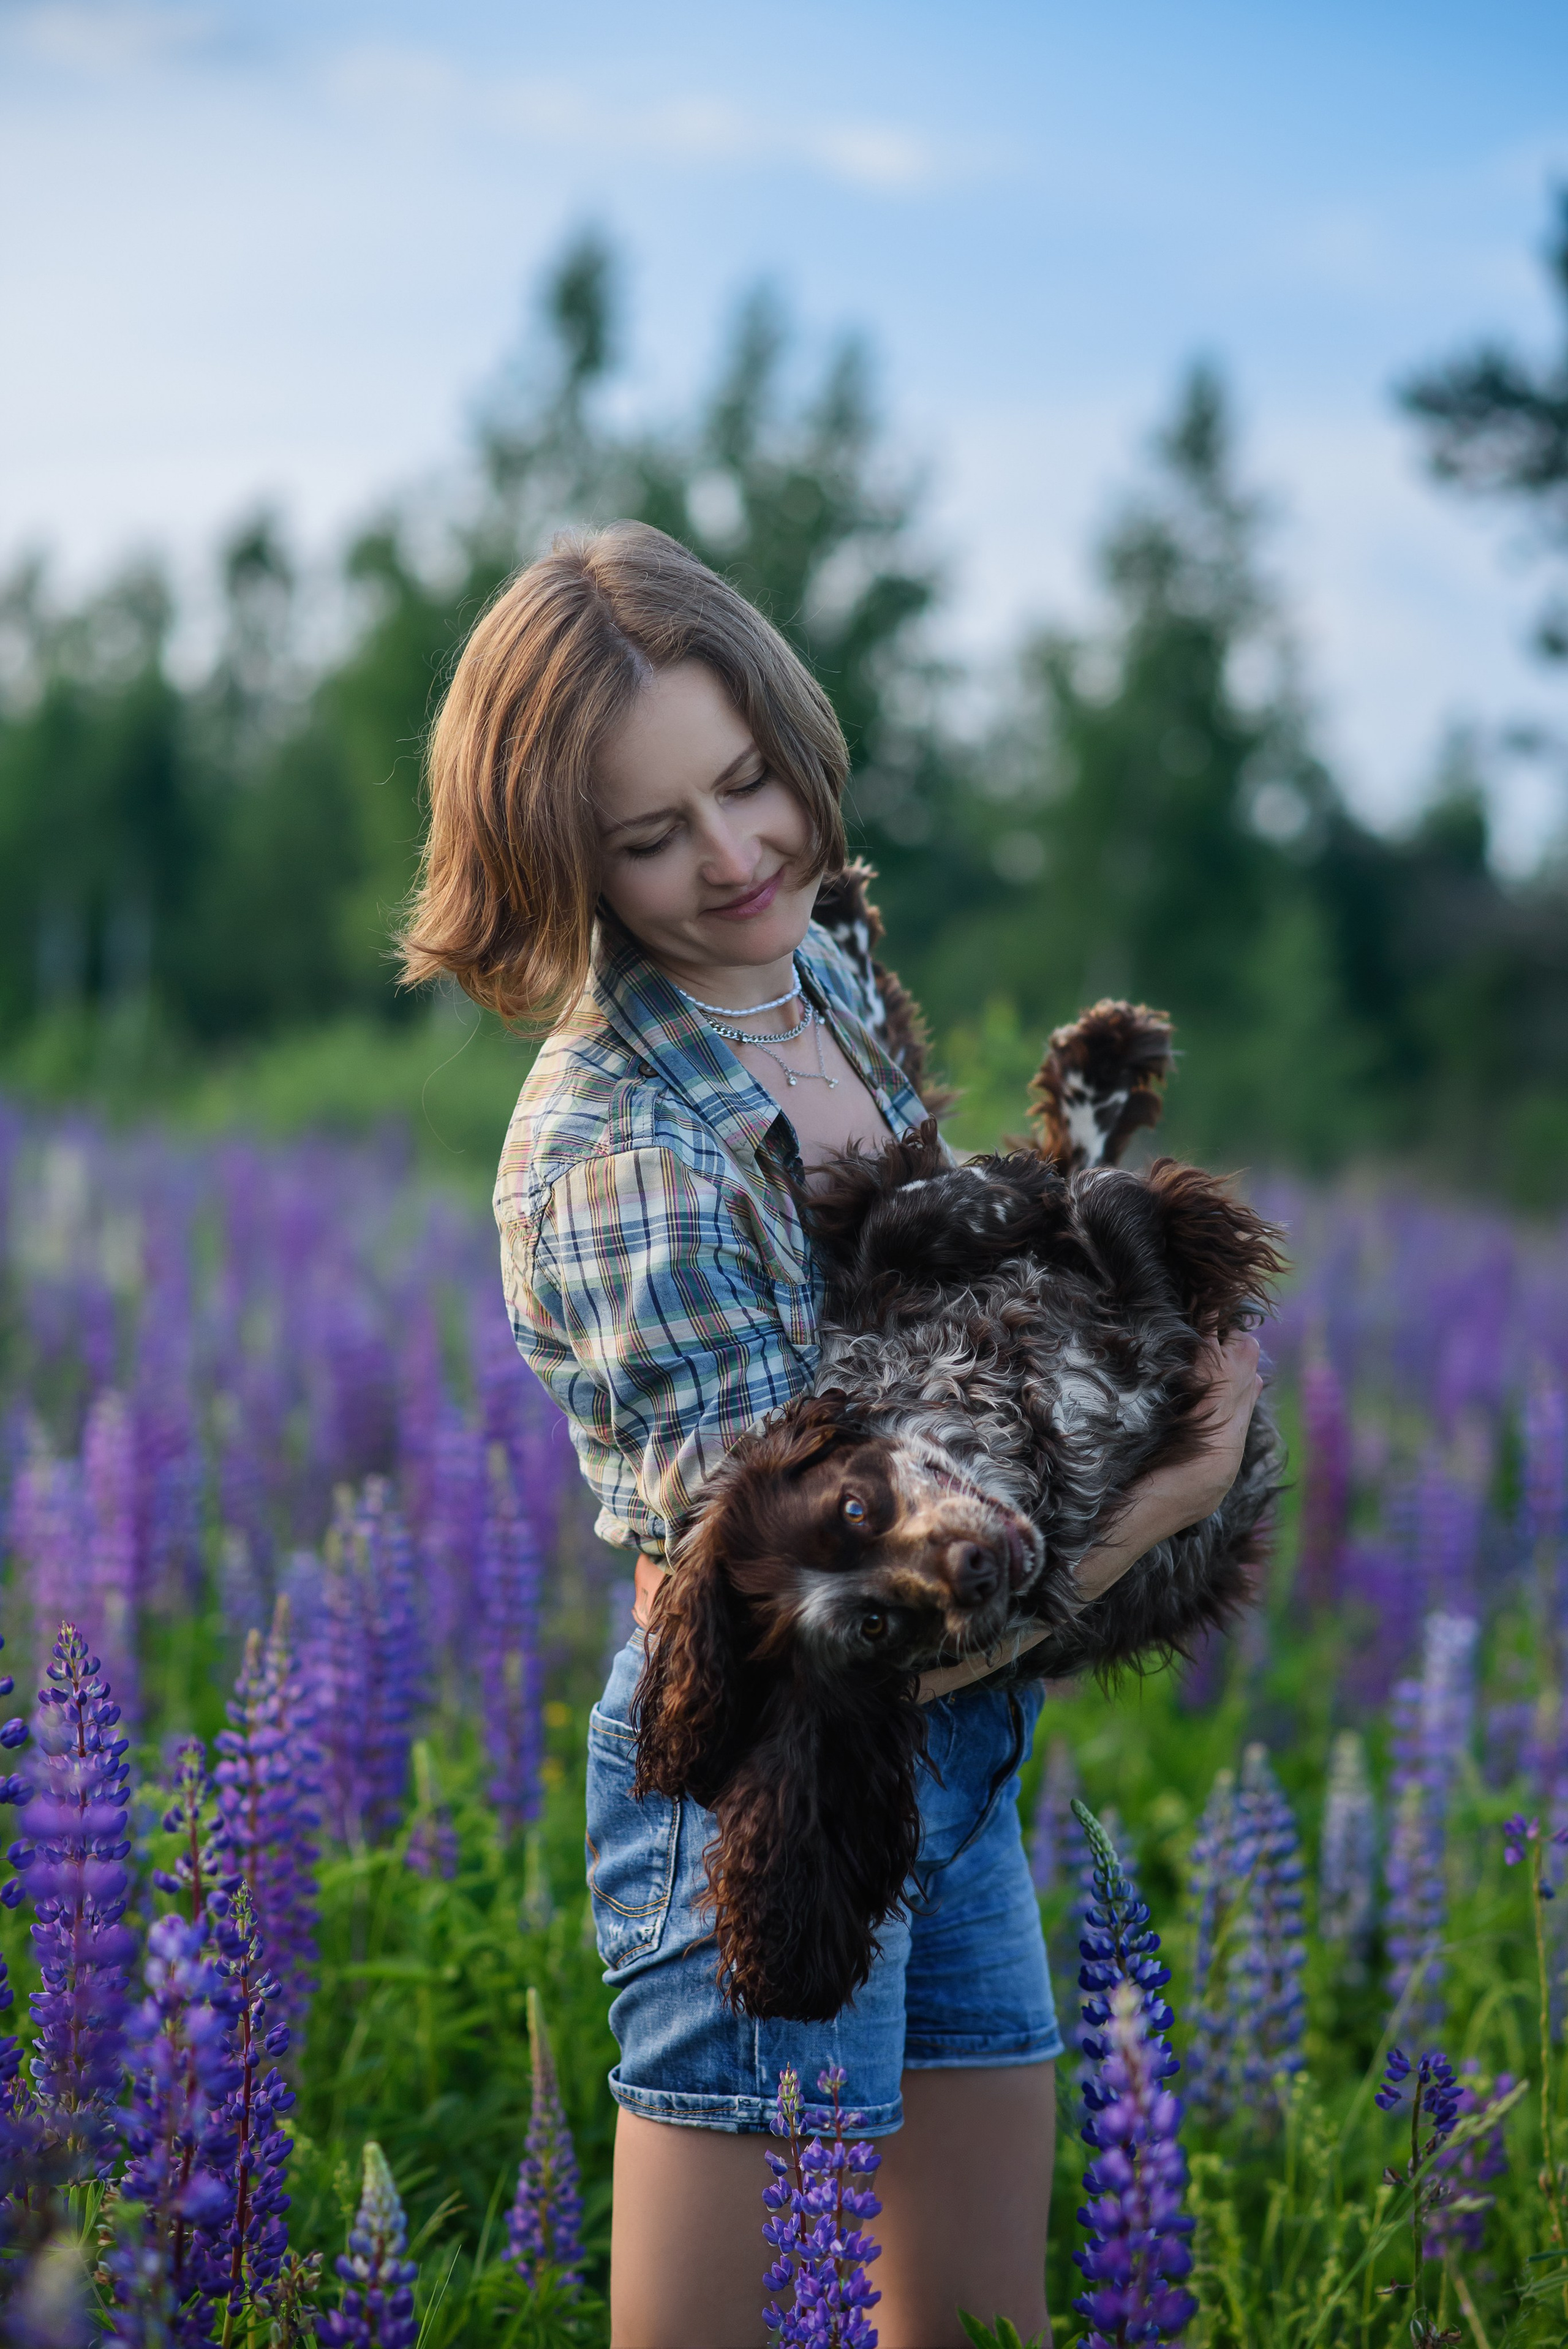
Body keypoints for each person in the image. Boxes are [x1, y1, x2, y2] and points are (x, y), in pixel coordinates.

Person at [400, 521, 1261, 2349]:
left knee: (967, 2319)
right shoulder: (621, 1140)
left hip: (955, 1756)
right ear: (568, 861)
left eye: (745, 783)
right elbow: (816, 1608)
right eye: (649, 836)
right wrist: (1166, 1493)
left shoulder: (829, 988)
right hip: (764, 1782)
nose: (730, 857)